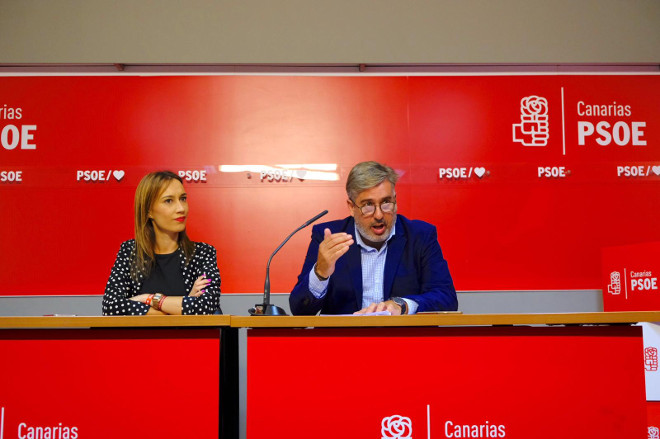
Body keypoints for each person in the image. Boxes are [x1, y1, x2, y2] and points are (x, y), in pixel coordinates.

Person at [290, 161, 457, 315]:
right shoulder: (329, 238)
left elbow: (446, 298)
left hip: (402, 337)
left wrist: (403, 305)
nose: (379, 215)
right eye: (368, 205)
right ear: (351, 207)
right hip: (345, 337)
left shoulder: (420, 236)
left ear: (395, 201)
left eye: (386, 202)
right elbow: (299, 310)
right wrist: (320, 273)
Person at [102, 171, 222, 315]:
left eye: (183, 199)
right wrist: (184, 304)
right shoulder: (130, 252)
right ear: (148, 211)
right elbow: (111, 307)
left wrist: (149, 298)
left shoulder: (203, 253)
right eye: (169, 201)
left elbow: (206, 306)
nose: (181, 208)